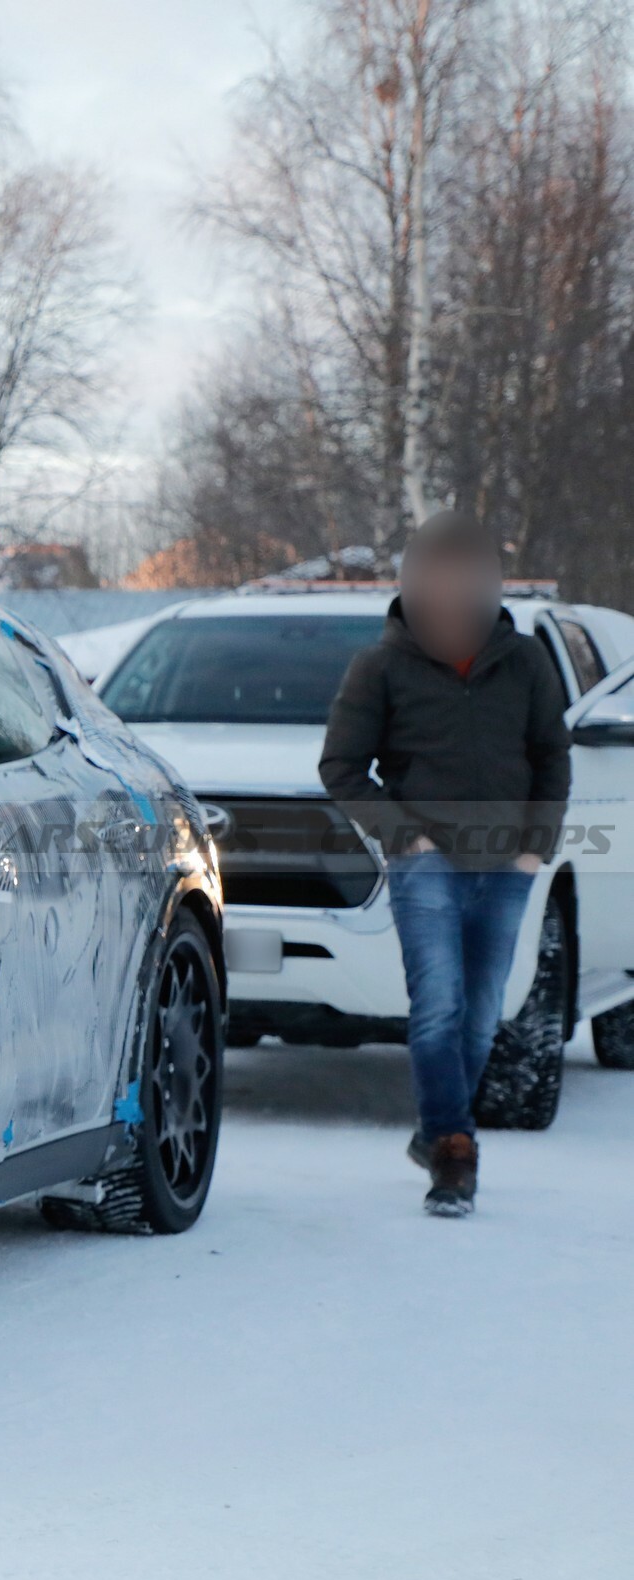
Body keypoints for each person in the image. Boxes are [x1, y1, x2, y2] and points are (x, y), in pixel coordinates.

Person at [320, 512, 569, 1217]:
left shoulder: (524, 662)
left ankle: (434, 1128)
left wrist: (533, 849)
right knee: (438, 1007)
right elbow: (340, 765)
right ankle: (454, 1155)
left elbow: (552, 756)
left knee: (482, 1014)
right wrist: (405, 838)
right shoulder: (381, 666)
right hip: (423, 862)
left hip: (506, 864)